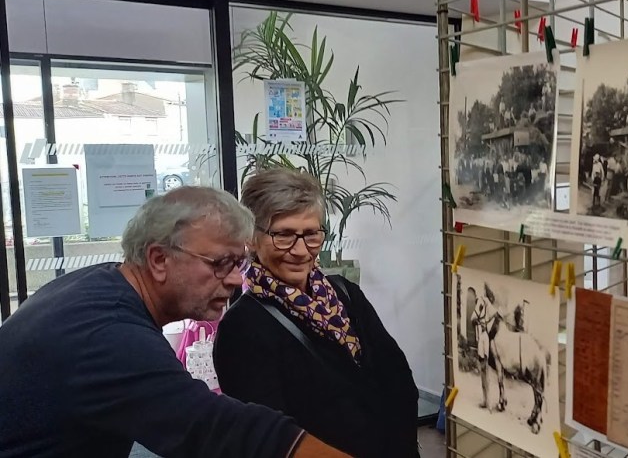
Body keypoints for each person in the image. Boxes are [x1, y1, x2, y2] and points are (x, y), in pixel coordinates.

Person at [0, 186, 351, 458]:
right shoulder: (109, 334)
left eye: (239, 263)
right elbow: (217, 429)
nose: (234, 280)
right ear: (158, 259)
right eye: (220, 263)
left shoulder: (101, 284)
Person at [214, 169, 419, 457]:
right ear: (252, 238)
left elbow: (397, 378)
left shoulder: (345, 294)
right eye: (283, 235)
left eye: (311, 234)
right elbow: (269, 437)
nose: (300, 251)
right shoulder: (243, 326)